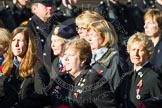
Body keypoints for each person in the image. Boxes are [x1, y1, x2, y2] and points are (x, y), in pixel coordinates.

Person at [14, 38, 118, 108]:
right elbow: (41, 97)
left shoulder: (94, 80)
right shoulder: (61, 79)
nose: (66, 59)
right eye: (65, 55)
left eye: (71, 55)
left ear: (83, 59)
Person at [0, 27, 50, 108]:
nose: (16, 44)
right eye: (13, 40)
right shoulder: (6, 65)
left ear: (28, 44)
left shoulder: (38, 66)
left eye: (20, 41)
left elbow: (42, 96)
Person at [115, 32, 162, 108]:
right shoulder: (127, 77)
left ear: (148, 53)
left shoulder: (153, 77)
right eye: (133, 49)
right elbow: (115, 100)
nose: (136, 54)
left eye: (140, 50)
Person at [27, 0, 63, 73]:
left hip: (56, 70)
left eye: (50, 5)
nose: (50, 8)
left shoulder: (58, 26)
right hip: (36, 71)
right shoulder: (28, 27)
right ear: (34, 9)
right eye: (45, 6)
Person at [86, 19, 121, 91]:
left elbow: (118, 86)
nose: (89, 39)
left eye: (93, 35)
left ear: (104, 37)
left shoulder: (114, 58)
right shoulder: (86, 58)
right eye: (88, 35)